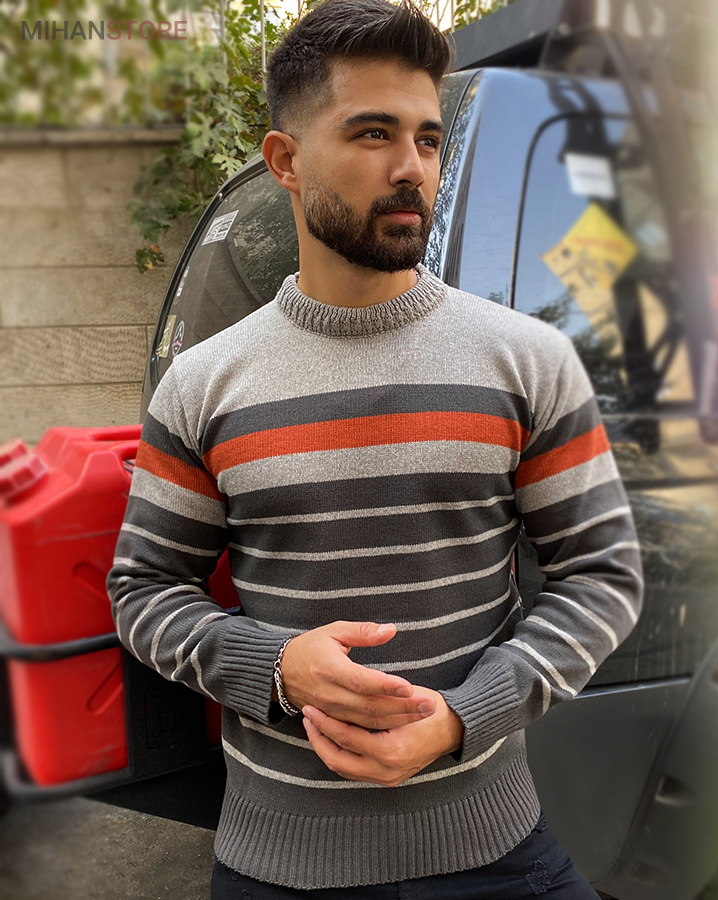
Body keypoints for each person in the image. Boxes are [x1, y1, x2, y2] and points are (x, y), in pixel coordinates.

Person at [107, 0, 644, 896]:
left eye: (428, 139)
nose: (411, 168)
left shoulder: (528, 360)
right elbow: (144, 592)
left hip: (494, 851)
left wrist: (466, 716)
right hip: (277, 866)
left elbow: (603, 574)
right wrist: (275, 668)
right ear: (286, 160)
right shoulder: (204, 385)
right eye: (372, 133)